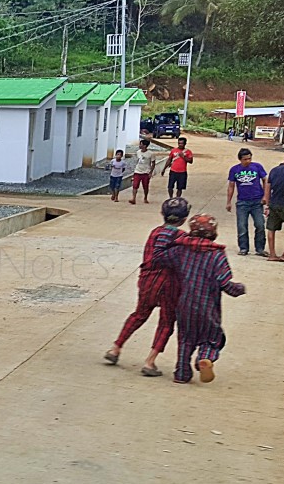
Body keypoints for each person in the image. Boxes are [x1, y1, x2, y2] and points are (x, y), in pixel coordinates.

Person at [105, 197, 190, 377]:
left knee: (139, 314)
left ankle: (116, 348)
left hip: (147, 281)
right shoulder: (182, 238)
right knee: (166, 322)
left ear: (162, 214)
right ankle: (150, 362)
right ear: (184, 218)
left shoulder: (154, 232)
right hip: (169, 284)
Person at [160, 214, 246, 384]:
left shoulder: (181, 249)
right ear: (214, 233)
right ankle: (205, 358)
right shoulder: (217, 255)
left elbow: (161, 258)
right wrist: (239, 289)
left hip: (184, 304)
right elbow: (224, 282)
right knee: (212, 338)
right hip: (208, 307)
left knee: (185, 338)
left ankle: (182, 373)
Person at [225, 147, 268, 256]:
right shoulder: (234, 170)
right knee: (242, 226)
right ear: (240, 159)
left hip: (257, 201)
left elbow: (265, 180)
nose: (248, 161)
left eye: (249, 158)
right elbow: (231, 186)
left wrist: (265, 196)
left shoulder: (257, 167)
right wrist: (228, 201)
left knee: (260, 225)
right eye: (245, 159)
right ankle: (243, 248)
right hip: (242, 202)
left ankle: (260, 248)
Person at [127, 139, 159, 204]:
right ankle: (133, 198)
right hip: (137, 171)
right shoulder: (138, 152)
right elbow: (137, 160)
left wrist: (150, 172)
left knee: (145, 186)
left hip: (146, 172)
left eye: (141, 144)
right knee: (135, 185)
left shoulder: (151, 154)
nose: (139, 145)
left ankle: (145, 197)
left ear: (145, 146)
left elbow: (153, 163)